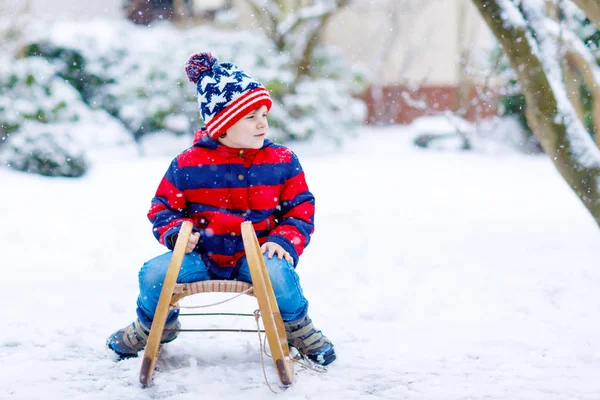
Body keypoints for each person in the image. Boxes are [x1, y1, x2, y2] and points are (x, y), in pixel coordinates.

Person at [106, 52, 336, 366]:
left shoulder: (282, 160)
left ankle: (296, 326)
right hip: (201, 254)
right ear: (223, 125)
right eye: (251, 117)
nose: (262, 123)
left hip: (256, 252)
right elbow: (162, 207)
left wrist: (282, 240)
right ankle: (153, 326)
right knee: (154, 274)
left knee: (279, 274)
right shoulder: (189, 163)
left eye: (264, 114)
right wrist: (175, 233)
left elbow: (300, 209)